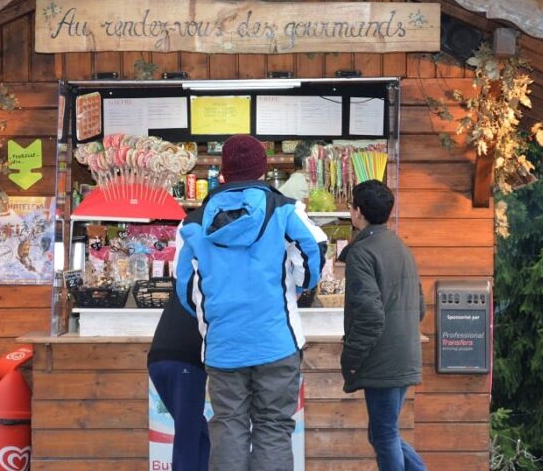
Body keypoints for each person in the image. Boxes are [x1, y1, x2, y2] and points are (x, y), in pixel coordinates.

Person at [176, 134, 326, 471]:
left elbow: (185, 287)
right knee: (273, 426)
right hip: (276, 342)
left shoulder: (195, 222)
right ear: (262, 170)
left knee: (228, 424)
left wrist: (209, 320)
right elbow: (313, 250)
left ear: (223, 172)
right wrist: (304, 285)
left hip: (223, 346)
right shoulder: (285, 209)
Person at [339, 179, 427, 471]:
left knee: (384, 434)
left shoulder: (362, 253)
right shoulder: (401, 247)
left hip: (382, 360)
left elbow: (369, 315)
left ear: (358, 212)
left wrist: (350, 357)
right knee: (383, 432)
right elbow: (420, 306)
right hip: (405, 355)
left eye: (352, 206)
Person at [147, 293, 209, 469]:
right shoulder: (213, 277)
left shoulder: (186, 278)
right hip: (186, 361)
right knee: (188, 436)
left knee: (199, 432)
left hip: (157, 360)